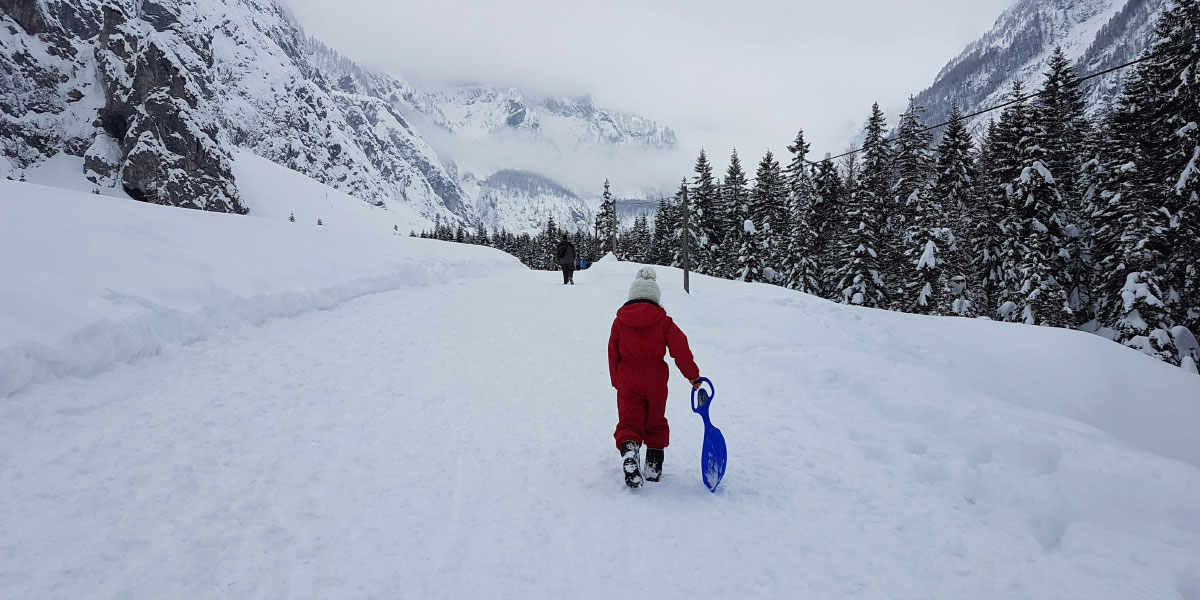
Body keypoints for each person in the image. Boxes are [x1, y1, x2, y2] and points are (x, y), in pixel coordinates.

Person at [607, 267, 701, 488]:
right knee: (655, 417)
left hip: (628, 376)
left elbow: (613, 353)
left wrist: (617, 381)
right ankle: (653, 466)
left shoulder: (620, 321)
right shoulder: (664, 321)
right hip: (656, 378)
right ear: (655, 297)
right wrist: (693, 376)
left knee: (630, 419)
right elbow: (681, 349)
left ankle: (630, 451)